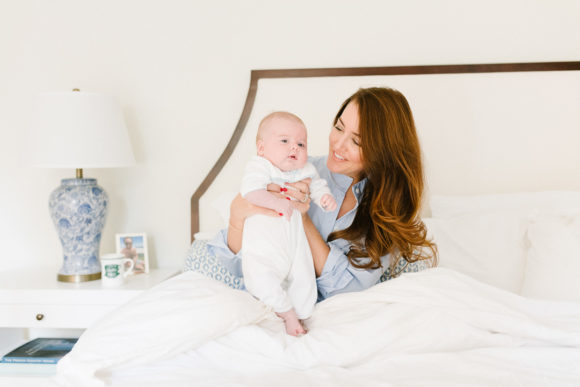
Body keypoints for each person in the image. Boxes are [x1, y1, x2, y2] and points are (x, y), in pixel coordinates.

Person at [203, 87, 436, 307]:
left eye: (356, 140)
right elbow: (233, 265)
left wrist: (302, 218)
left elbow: (345, 289)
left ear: (383, 153)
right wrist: (236, 217)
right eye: (338, 127)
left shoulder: (388, 213)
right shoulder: (295, 172)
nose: (338, 144)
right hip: (266, 302)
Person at [240, 111, 336, 336]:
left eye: (301, 144)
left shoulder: (305, 170)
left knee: (304, 277)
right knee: (261, 278)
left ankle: (302, 313)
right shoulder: (260, 166)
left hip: (295, 245)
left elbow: (317, 186)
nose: (294, 148)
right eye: (285, 141)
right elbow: (250, 191)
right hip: (264, 247)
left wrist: (324, 198)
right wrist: (276, 202)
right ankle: (287, 313)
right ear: (261, 148)